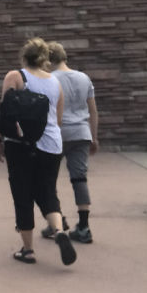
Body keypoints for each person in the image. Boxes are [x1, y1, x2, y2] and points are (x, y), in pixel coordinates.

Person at [0, 37, 77, 268]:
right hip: (51, 145)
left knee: (23, 194)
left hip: (20, 145)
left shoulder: (15, 77)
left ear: (23, 57)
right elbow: (57, 121)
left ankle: (28, 250)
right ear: (44, 60)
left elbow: (5, 111)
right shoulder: (55, 83)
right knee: (47, 191)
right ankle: (59, 231)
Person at [45, 41, 99, 243]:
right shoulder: (83, 78)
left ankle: (55, 223)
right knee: (79, 179)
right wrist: (94, 136)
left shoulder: (50, 79)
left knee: (48, 180)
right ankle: (84, 227)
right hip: (81, 132)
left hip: (57, 134)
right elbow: (93, 110)